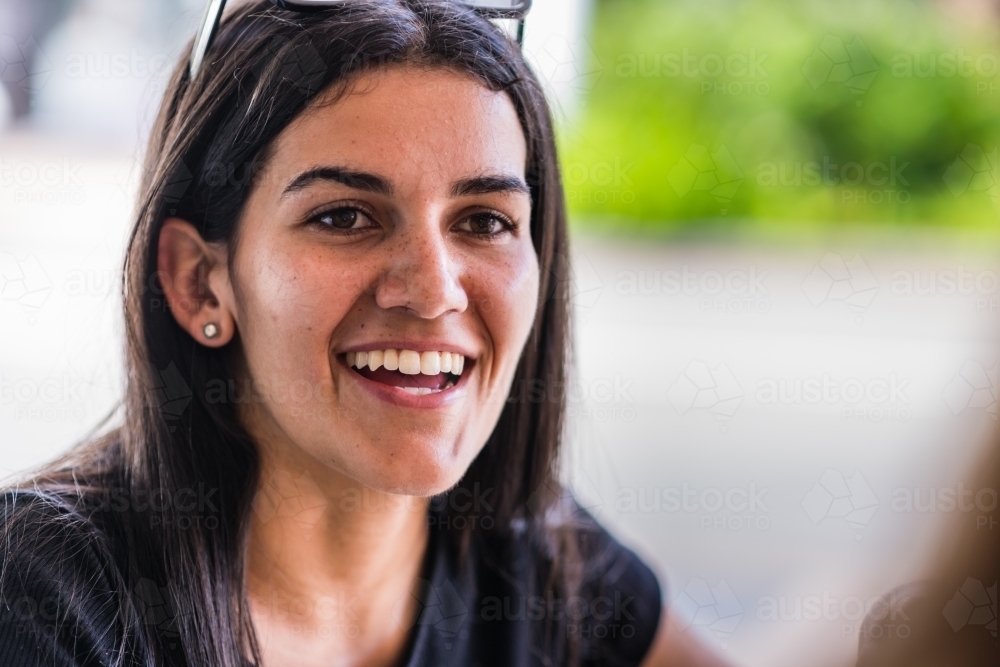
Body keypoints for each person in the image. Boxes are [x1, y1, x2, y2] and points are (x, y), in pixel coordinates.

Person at [0, 2, 726, 665]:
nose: (435, 289)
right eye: (345, 216)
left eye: (484, 221)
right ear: (199, 280)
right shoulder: (43, 600)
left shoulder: (541, 562)